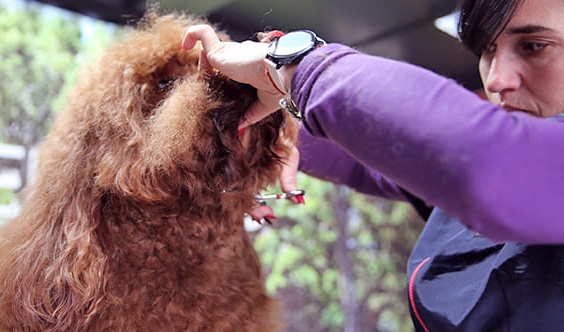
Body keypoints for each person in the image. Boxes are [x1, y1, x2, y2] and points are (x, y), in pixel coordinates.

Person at [182, 0, 564, 330]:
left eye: (534, 46)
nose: (497, 79)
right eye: (487, 50)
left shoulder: (503, 164)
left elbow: (490, 162)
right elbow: (369, 154)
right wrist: (265, 124)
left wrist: (296, 65)